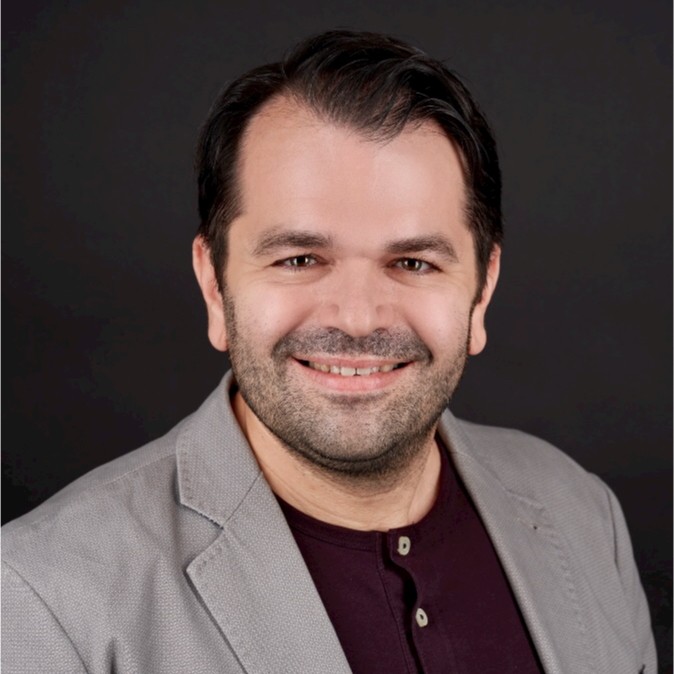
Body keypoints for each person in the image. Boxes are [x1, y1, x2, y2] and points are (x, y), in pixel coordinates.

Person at [2, 30, 656, 674]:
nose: (358, 317)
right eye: (299, 259)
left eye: (413, 262)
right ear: (214, 286)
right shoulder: (44, 598)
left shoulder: (582, 513)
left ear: (481, 291)